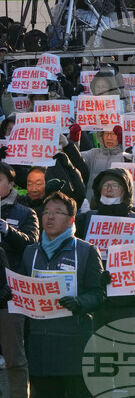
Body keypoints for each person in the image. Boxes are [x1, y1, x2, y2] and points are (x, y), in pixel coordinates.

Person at [22, 192, 104, 397]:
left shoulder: (86, 251)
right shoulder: (30, 252)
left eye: (57, 212)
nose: (50, 217)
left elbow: (99, 293)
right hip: (40, 345)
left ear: (71, 219)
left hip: (74, 343)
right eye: (47, 212)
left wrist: (79, 303)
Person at [0, 161, 38, 398]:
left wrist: (7, 231)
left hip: (9, 293)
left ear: (12, 184)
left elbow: (32, 244)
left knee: (14, 356)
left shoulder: (25, 212)